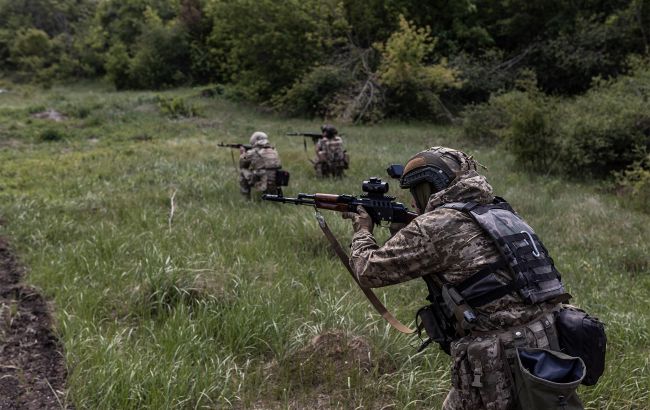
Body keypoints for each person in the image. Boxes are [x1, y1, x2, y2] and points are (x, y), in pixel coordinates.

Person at [342, 147, 581, 409]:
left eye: (415, 192)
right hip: (545, 340)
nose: (412, 202)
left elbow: (368, 270)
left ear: (430, 186)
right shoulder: (499, 210)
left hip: (499, 357)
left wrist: (362, 231)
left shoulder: (435, 225)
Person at [239, 131, 282, 199]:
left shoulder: (253, 152)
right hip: (275, 182)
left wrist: (243, 154)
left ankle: (245, 198)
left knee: (242, 172)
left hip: (263, 183)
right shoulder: (273, 150)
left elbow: (242, 164)